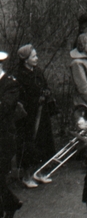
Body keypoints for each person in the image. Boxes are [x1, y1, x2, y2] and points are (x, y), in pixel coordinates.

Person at [15, 45, 56, 187]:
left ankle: (39, 172)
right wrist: (35, 100)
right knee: (29, 143)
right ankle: (26, 176)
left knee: (43, 142)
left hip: (41, 113)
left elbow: (45, 86)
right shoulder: (20, 75)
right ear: (25, 60)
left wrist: (46, 93)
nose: (36, 58)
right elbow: (20, 97)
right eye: (33, 56)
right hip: (28, 117)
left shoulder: (38, 71)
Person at [0, 52, 21, 218]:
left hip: (4, 136)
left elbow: (4, 108)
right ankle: (11, 203)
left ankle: (8, 205)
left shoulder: (10, 84)